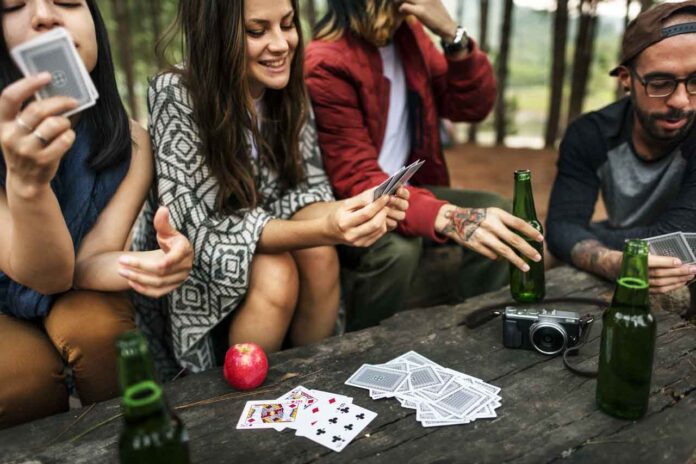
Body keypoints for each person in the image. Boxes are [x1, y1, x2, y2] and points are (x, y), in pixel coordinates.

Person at [132, 0, 409, 376]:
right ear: (216, 34)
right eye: (257, 31)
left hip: (262, 233)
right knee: (278, 274)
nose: (281, 44)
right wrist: (326, 226)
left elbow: (308, 191)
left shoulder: (288, 89)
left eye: (289, 24)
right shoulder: (176, 93)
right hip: (193, 265)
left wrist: (356, 208)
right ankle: (238, 401)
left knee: (321, 254)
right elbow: (200, 231)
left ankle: (312, 376)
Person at [0, 0, 193, 429]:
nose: (44, 16)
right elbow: (42, 274)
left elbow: (86, 262)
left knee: (100, 330)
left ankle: (136, 440)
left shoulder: (133, 144)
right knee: (24, 379)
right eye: (12, 4)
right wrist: (27, 186)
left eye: (67, 0)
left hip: (68, 283)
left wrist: (147, 265)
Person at [304, 0, 544, 331]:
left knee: (501, 212)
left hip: (409, 191)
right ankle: (360, 346)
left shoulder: (409, 36)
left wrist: (452, 35)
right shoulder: (327, 61)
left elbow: (470, 107)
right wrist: (448, 217)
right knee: (398, 250)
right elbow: (357, 178)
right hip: (357, 206)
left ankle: (488, 328)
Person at [547, 0, 696, 295]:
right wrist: (609, 261)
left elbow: (677, 237)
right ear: (627, 79)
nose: (681, 101)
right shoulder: (590, 135)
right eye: (660, 82)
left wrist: (585, 238)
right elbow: (561, 227)